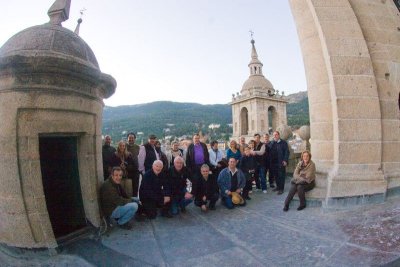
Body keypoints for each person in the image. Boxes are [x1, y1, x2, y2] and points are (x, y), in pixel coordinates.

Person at [268, 131, 290, 195]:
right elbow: (268, 149)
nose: (275, 136)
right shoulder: (272, 142)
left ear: (279, 135)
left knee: (281, 176)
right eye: (274, 135)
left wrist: (285, 160)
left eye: (276, 135)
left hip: (281, 162)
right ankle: (278, 187)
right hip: (273, 162)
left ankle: (281, 189)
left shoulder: (283, 142)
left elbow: (287, 152)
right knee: (276, 176)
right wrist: (272, 142)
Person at [126, 132, 140, 196]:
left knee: (135, 188)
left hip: (136, 171)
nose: (131, 139)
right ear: (127, 139)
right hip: (126, 172)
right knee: (127, 189)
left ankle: (135, 203)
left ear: (135, 139)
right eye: (129, 138)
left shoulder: (138, 147)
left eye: (132, 138)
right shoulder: (124, 146)